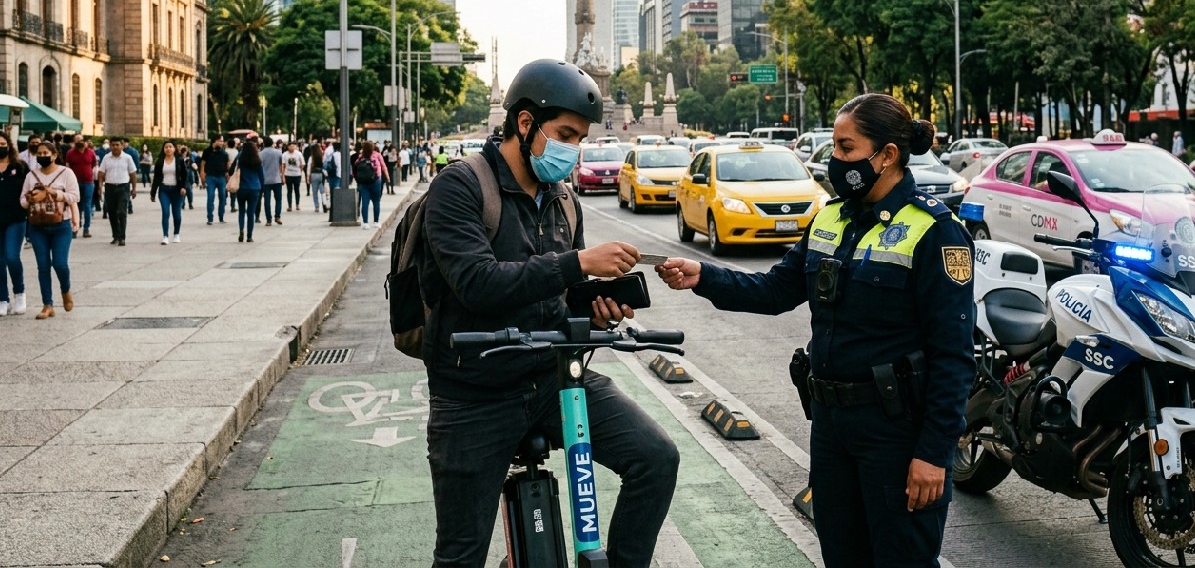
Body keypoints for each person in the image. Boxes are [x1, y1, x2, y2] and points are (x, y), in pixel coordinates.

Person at [656, 93, 975, 568]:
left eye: (847, 148)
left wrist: (934, 453)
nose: (835, 159)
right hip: (831, 428)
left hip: (895, 432)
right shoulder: (830, 217)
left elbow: (953, 355)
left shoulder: (935, 231)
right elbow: (775, 290)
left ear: (887, 155)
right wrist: (705, 276)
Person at [422, 59, 677, 567]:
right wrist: (576, 262)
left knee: (656, 458)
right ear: (524, 123)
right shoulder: (460, 187)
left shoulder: (563, 200)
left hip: (555, 380)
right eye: (564, 134)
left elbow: (560, 294)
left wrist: (595, 307)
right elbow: (476, 284)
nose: (573, 150)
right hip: (474, 394)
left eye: (580, 138)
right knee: (461, 553)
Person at [20, 141, 80, 319]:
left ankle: (66, 290)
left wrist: (54, 193)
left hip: (61, 225)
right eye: (40, 153)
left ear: (54, 155)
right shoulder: (32, 176)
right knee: (43, 266)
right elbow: (22, 200)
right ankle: (47, 304)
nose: (42, 156)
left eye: (46, 152)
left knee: (60, 264)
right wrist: (30, 199)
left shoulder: (66, 173)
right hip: (37, 226)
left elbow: (75, 196)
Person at [0, 132, 28, 316]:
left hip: (16, 219)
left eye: (2, 143)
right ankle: (3, 298)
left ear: (8, 145)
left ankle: (19, 293)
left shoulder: (20, 166)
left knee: (12, 257)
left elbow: (29, 189)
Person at [97, 138, 137, 246]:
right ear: (110, 146)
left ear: (122, 146)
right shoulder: (106, 158)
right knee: (112, 213)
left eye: (117, 145)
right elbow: (101, 173)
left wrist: (134, 188)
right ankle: (115, 236)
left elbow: (133, 174)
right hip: (110, 188)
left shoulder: (127, 158)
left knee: (122, 212)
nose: (115, 147)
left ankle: (122, 237)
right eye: (113, 145)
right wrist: (100, 187)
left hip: (123, 187)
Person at [150, 141, 188, 244]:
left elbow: (185, 175)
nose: (168, 149)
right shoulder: (160, 161)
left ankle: (176, 234)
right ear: (163, 149)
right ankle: (165, 236)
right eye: (166, 147)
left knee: (176, 214)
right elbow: (156, 178)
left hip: (177, 190)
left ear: (174, 149)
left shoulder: (179, 160)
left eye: (170, 147)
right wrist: (153, 193)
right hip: (164, 190)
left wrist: (183, 187)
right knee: (166, 212)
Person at [231, 139, 265, 243]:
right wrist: (262, 189)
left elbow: (232, 169)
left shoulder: (240, 158)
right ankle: (249, 236)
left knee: (241, 210)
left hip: (241, 187)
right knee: (251, 213)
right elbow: (261, 176)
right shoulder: (257, 159)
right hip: (254, 188)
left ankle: (241, 229)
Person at [64, 134, 96, 238]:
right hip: (74, 183)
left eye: (80, 139)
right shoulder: (70, 153)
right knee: (75, 205)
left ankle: (86, 228)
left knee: (87, 205)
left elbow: (94, 165)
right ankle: (76, 227)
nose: (79, 141)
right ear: (74, 141)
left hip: (88, 182)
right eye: (76, 140)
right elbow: (67, 167)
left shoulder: (91, 152)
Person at [354, 140, 388, 229]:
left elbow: (355, 167)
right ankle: (376, 222)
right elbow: (383, 166)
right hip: (376, 180)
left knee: (365, 202)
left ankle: (365, 222)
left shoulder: (361, 157)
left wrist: (358, 179)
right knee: (376, 201)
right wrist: (387, 177)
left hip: (363, 182)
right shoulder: (377, 155)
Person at [200, 135, 230, 225]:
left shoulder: (224, 153)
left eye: (222, 141)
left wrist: (228, 177)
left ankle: (221, 217)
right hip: (210, 177)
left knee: (222, 198)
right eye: (220, 141)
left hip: (221, 178)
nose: (222, 143)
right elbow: (202, 165)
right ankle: (210, 218)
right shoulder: (207, 152)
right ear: (214, 141)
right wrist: (202, 177)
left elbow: (227, 166)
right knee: (210, 197)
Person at [258, 138, 284, 226]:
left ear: (264, 144)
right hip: (277, 179)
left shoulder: (260, 154)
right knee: (278, 199)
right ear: (272, 143)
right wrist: (282, 176)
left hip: (265, 180)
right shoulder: (278, 152)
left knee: (267, 201)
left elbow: (259, 167)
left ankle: (268, 220)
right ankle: (277, 216)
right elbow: (281, 165)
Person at [282, 142, 305, 212]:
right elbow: (283, 164)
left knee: (297, 190)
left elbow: (303, 163)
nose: (292, 148)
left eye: (293, 146)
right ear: (288, 147)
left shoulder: (299, 154)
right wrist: (282, 175)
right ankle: (290, 205)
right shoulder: (284, 154)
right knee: (289, 190)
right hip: (288, 174)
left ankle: (297, 204)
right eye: (290, 146)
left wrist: (300, 169)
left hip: (297, 174)